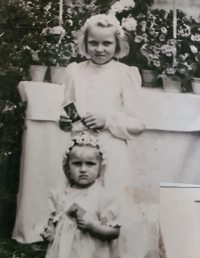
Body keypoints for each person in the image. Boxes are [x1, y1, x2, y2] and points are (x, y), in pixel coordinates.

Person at [59, 14, 145, 257]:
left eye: (106, 43)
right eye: (93, 43)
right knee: (82, 206)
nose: (99, 49)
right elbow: (69, 108)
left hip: (112, 153)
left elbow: (137, 122)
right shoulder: (75, 71)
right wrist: (66, 122)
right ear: (84, 44)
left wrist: (108, 121)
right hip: (81, 152)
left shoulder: (125, 73)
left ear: (118, 45)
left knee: (110, 208)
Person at [41, 133, 120, 258]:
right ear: (67, 167)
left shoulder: (103, 196)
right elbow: (54, 218)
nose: (83, 169)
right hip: (62, 250)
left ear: (100, 167)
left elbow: (114, 232)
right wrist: (50, 230)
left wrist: (93, 226)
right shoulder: (61, 193)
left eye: (90, 164)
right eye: (77, 163)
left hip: (90, 252)